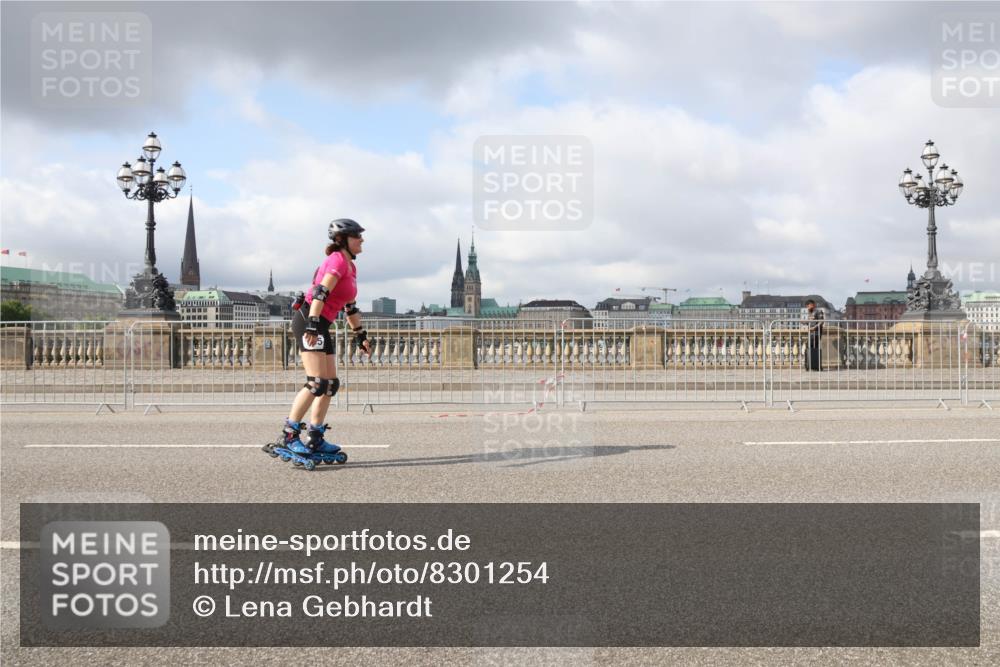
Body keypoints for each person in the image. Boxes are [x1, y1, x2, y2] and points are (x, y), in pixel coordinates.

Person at [263, 218, 372, 469]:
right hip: (309, 321)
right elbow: (321, 292)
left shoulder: (350, 267)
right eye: (358, 236)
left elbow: (350, 307)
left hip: (322, 323)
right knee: (316, 383)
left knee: (330, 384)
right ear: (343, 239)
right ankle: (289, 435)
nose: (362, 240)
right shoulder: (336, 261)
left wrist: (360, 335)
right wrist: (313, 323)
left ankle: (316, 437)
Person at [804, 299, 824, 372]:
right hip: (811, 333)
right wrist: (804, 322)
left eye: (808, 305)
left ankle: (814, 365)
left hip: (816, 333)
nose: (807, 307)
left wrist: (814, 328)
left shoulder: (818, 311)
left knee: (812, 347)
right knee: (812, 348)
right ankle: (813, 365)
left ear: (813, 304)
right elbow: (810, 322)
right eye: (807, 306)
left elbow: (821, 321)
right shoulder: (810, 312)